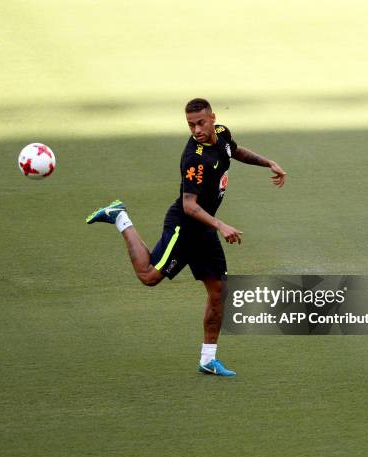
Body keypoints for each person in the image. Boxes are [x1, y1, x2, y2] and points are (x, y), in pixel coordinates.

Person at [86, 98, 287, 377]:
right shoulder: (194, 158)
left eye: (201, 123)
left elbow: (235, 151)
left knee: (219, 292)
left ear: (213, 118)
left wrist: (269, 163)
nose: (196, 129)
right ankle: (120, 217)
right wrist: (221, 225)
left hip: (204, 230)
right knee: (148, 276)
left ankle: (208, 359)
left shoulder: (222, 134)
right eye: (191, 124)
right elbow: (190, 206)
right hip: (185, 227)